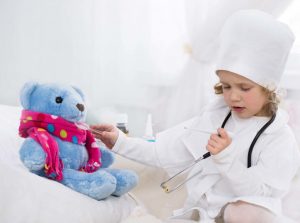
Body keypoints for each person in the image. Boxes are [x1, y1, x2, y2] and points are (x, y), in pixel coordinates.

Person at [91, 10, 300, 223]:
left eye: (244, 88)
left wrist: (226, 158)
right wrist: (119, 141)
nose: (233, 96)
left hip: (248, 217)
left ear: (269, 88)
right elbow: (160, 150)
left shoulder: (280, 138)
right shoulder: (214, 118)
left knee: (244, 212)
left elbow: (259, 193)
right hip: (205, 215)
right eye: (226, 86)